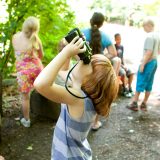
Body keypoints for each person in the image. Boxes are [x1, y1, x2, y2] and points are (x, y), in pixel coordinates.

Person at [34, 36, 118, 159]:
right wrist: (68, 52)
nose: (80, 60)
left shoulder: (78, 99)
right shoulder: (81, 92)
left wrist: (66, 52)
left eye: (86, 61)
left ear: (89, 79)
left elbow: (40, 84)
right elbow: (64, 70)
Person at [81, 12, 121, 130]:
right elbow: (113, 53)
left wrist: (85, 60)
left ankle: (81, 120)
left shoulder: (82, 33)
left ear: (91, 20)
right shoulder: (106, 36)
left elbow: (73, 50)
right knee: (98, 94)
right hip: (99, 70)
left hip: (83, 68)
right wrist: (99, 59)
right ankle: (95, 123)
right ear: (102, 23)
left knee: (82, 94)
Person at [12, 16, 44, 127]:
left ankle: (26, 120)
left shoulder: (15, 37)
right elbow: (41, 56)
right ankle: (48, 107)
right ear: (36, 29)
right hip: (36, 70)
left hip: (23, 73)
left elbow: (16, 54)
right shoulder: (36, 40)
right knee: (42, 88)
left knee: (25, 98)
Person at [126, 18, 160, 111]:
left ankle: (134, 103)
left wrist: (143, 64)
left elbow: (149, 52)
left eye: (144, 26)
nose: (143, 28)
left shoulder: (149, 36)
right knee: (149, 82)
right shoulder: (158, 35)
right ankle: (144, 103)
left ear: (149, 25)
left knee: (140, 81)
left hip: (148, 62)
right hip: (154, 61)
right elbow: (158, 51)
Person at [114, 33, 134, 98]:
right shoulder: (114, 47)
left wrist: (124, 65)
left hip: (122, 65)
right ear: (115, 39)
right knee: (123, 73)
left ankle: (129, 87)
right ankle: (124, 88)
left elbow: (122, 57)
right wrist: (121, 66)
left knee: (131, 72)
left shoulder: (121, 47)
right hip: (117, 65)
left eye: (120, 39)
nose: (119, 40)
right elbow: (115, 58)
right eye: (117, 39)